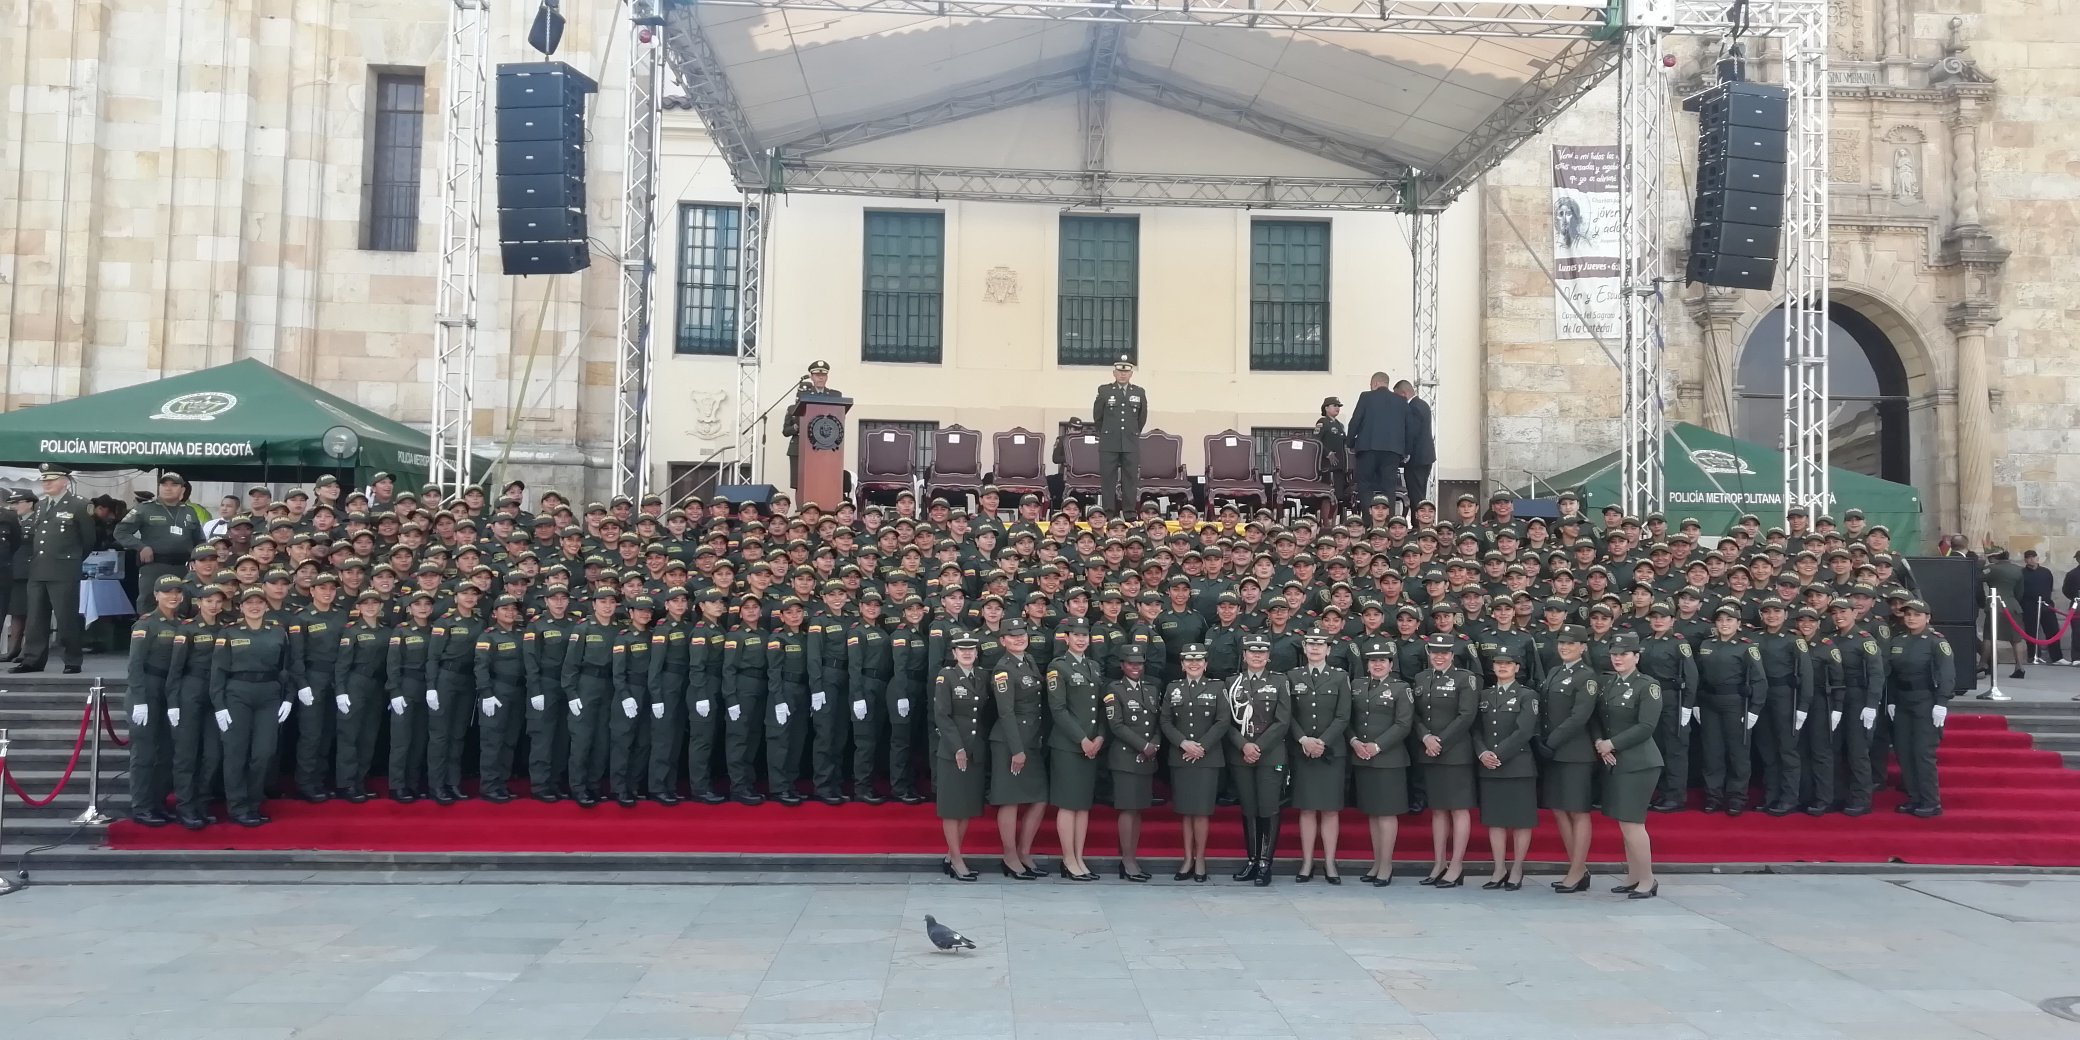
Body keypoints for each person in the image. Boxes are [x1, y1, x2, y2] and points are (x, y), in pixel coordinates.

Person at [210, 587, 293, 828]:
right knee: (236, 753)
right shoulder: (229, 632)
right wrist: (219, 704)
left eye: (259, 602)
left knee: (264, 752)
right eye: (249, 603)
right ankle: (237, 806)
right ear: (241, 607)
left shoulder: (278, 633)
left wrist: (288, 697)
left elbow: (286, 668)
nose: (254, 606)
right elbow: (218, 671)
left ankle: (254, 803)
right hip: (237, 693)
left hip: (269, 694)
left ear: (267, 606)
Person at [11, 464, 96, 675]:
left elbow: (88, 541)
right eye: (44, 480)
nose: (46, 483)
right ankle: (32, 659)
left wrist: (71, 560)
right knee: (35, 618)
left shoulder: (79, 505)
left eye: (51, 479)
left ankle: (72, 660)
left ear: (65, 481)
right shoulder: (40, 506)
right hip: (39, 569)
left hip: (64, 569)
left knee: (66, 617)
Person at [1596, 632, 1663, 899]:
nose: (1618, 658)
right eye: (1614, 654)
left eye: (1624, 654)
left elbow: (1646, 726)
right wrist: (1601, 741)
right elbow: (1599, 718)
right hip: (1616, 760)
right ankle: (1633, 876)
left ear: (1637, 656)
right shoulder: (1609, 684)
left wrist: (1612, 743)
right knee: (1625, 823)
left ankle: (1647, 879)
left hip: (1640, 762)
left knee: (1633, 822)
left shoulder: (1647, 685)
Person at [1412, 632, 1479, 887]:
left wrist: (1440, 741)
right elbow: (1415, 715)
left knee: (1458, 809)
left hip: (1455, 753)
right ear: (1429, 654)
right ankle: (1439, 862)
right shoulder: (1421, 678)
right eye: (1434, 653)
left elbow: (1466, 715)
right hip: (1429, 751)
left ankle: (1457, 865)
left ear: (1452, 655)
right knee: (1438, 810)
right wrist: (1426, 737)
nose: (1439, 657)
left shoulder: (1465, 678)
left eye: (1444, 653)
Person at [1287, 628, 1352, 883]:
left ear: (1328, 649)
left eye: (1320, 644)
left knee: (1330, 810)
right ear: (1304, 648)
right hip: (1303, 750)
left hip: (1330, 752)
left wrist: (1322, 742)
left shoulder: (1339, 677)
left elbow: (1343, 716)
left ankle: (1329, 863)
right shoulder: (1293, 676)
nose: (1315, 648)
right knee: (1306, 809)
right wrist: (1304, 739)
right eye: (1311, 644)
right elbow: (1287, 714)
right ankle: (1306, 863)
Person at [1537, 626, 1599, 892]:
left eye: (1571, 644)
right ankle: (1578, 868)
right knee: (1559, 809)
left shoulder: (1587, 676)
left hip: (1575, 752)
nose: (1564, 647)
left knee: (1577, 810)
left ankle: (1576, 870)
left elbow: (1579, 717)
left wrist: (1551, 741)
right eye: (1562, 642)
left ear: (1583, 647)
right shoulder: (1554, 671)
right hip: (1554, 751)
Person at [1226, 635, 1292, 886]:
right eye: (1252, 652)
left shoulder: (1279, 681)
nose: (1257, 656)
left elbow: (1283, 721)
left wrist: (1258, 746)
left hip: (1270, 753)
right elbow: (1227, 721)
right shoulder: (1233, 682)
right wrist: (1244, 745)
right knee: (1249, 808)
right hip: (1241, 753)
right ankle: (1252, 860)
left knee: (1268, 807)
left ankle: (1266, 863)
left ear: (1268, 656)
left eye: (1262, 653)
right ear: (1244, 656)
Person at [124, 575, 189, 827]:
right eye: (167, 592)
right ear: (156, 595)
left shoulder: (183, 624)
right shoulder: (146, 624)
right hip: (148, 688)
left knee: (166, 751)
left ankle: (159, 802)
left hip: (171, 691)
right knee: (144, 752)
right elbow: (135, 665)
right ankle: (141, 806)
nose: (173, 597)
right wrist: (139, 698)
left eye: (177, 592)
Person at [1161, 643, 1228, 882]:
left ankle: (1200, 859)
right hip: (1181, 757)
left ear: (1206, 664)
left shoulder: (1217, 686)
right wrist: (1183, 744)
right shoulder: (1173, 687)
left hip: (1206, 758)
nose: (1194, 664)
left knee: (1200, 813)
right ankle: (1187, 858)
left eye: (1198, 660)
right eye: (1188, 660)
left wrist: (1201, 747)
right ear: (1182, 664)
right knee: (1185, 812)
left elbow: (1223, 721)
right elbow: (1166, 721)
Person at [1348, 637, 1412, 886]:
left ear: (1390, 664)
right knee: (1373, 814)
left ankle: (1387, 865)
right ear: (1367, 664)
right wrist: (1354, 741)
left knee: (1386, 815)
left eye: (1382, 661)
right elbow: (1349, 719)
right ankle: (1376, 862)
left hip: (1388, 759)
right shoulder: (1357, 685)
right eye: (1373, 660)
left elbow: (1403, 724)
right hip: (1362, 756)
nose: (1377, 664)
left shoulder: (1400, 688)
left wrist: (1377, 746)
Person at [1044, 618, 1105, 880]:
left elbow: (1101, 706)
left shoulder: (1094, 666)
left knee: (1082, 805)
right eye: (1075, 635)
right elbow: (1058, 709)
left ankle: (1079, 857)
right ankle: (1067, 859)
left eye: (1085, 635)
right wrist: (1082, 739)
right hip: (1069, 745)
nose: (1081, 639)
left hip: (1091, 745)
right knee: (1068, 805)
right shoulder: (1058, 667)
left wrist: (1100, 736)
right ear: (1066, 639)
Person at [990, 618, 1051, 878]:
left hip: (1031, 738)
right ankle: (1010, 856)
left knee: (1039, 798)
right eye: (1012, 636)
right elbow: (1006, 712)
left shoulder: (1028, 661)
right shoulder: (1003, 669)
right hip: (1010, 741)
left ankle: (1025, 852)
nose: (1018, 639)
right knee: (1010, 800)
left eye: (1021, 634)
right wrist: (1017, 750)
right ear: (1002, 640)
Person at [1475, 649, 1539, 890]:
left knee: (1521, 820)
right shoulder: (1485, 695)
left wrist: (1497, 754)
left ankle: (1517, 869)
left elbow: (1524, 731)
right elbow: (1476, 729)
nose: (1502, 667)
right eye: (1498, 663)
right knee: (1496, 820)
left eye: (1508, 663)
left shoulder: (1526, 695)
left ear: (1517, 668)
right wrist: (1482, 753)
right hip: (1489, 765)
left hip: (1517, 765)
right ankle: (1499, 868)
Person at [1890, 599, 1957, 817]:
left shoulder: (1936, 642)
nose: (1911, 618)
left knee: (1922, 752)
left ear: (1927, 618)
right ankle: (1914, 797)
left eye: (1917, 615)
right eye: (1908, 614)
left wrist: (1941, 702)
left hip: (1925, 700)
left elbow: (1947, 674)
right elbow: (1891, 674)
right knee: (1904, 751)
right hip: (1902, 700)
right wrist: (1891, 700)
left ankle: (1930, 800)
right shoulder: (1899, 640)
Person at [932, 632, 989, 881]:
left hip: (975, 749)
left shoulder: (982, 676)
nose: (967, 654)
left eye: (971, 650)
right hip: (953, 751)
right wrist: (957, 748)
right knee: (952, 808)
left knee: (967, 807)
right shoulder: (947, 677)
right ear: (954, 653)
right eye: (961, 650)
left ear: (977, 653)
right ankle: (957, 860)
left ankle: (951, 855)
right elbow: (942, 716)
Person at [1104, 645, 1163, 882]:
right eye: (1131, 663)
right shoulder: (1114, 689)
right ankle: (1126, 860)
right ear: (1122, 665)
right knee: (1128, 809)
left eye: (1139, 663)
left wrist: (1155, 744)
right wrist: (1143, 746)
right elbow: (1116, 725)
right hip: (1126, 757)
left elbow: (1159, 721)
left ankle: (1133, 857)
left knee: (1139, 809)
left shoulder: (1151, 688)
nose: (1135, 667)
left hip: (1147, 757)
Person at [115, 472, 204, 613]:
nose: (168, 488)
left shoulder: (189, 511)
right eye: (164, 484)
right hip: (154, 567)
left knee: (181, 606)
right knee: (149, 605)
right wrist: (141, 546)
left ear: (182, 490)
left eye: (174, 485)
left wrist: (198, 560)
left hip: (182, 568)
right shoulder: (145, 508)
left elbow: (200, 540)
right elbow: (120, 532)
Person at [1092, 355, 1148, 514]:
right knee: (1108, 479)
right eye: (1119, 371)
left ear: (1131, 374)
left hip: (1130, 442)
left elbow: (1141, 418)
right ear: (1114, 373)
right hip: (1109, 442)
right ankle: (1108, 512)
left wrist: (1132, 432)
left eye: (1126, 371)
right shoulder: (1104, 391)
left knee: (1130, 479)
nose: (1123, 374)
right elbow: (1098, 417)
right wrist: (1106, 433)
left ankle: (1129, 512)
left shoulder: (1139, 392)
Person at [1345, 372, 1409, 505]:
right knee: (1389, 488)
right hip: (1393, 451)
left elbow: (1356, 421)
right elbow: (1408, 427)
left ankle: (1369, 523)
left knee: (1366, 486)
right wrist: (1405, 450)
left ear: (1375, 383)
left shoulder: (1366, 397)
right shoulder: (1401, 401)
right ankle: (1389, 523)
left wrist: (1350, 442)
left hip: (1368, 448)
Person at [780, 360, 840, 496]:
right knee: (800, 483)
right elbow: (785, 431)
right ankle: (800, 511)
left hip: (824, 446)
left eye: (823, 375)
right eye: (817, 375)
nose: (820, 377)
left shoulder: (834, 396)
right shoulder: (800, 400)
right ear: (811, 377)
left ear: (827, 377)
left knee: (822, 480)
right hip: (800, 448)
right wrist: (796, 427)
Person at [1395, 379, 1436, 505]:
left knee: (1415, 495)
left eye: (1397, 396)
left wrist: (1406, 453)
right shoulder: (1422, 404)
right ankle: (1419, 521)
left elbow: (1412, 432)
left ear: (1403, 394)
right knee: (1419, 492)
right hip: (1425, 457)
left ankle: (1417, 523)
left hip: (1416, 459)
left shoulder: (1413, 407)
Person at [2021, 550, 2057, 665]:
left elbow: (2050, 586)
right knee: (2031, 632)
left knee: (2053, 630)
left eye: (2033, 557)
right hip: (2029, 606)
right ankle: (2033, 656)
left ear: (2037, 558)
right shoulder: (2021, 573)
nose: (2031, 559)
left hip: (2046, 605)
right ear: (2025, 560)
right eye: (2028, 558)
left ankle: (2056, 657)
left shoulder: (2046, 572)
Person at [1313, 397, 1349, 512]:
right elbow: (1316, 441)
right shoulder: (1322, 422)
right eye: (1335, 405)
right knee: (1327, 496)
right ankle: (1326, 524)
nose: (1337, 408)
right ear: (1326, 408)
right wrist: (1327, 453)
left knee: (1338, 495)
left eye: (1339, 406)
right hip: (1328, 466)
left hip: (1339, 466)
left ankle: (1335, 522)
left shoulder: (1340, 425)